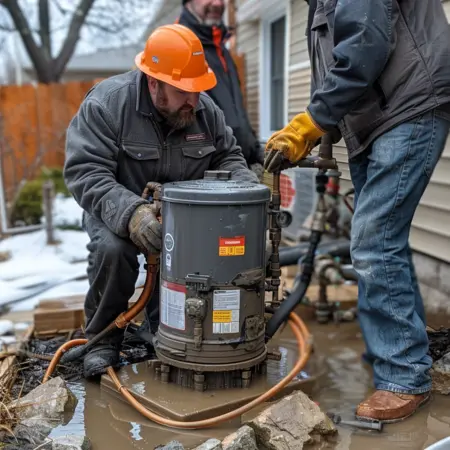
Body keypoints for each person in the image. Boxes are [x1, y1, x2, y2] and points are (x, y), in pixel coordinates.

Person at [264, 0, 450, 423]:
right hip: (378, 119)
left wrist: (311, 122)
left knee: (373, 243)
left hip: (407, 107)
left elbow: (366, 43)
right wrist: (321, 127)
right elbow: (335, 65)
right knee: (383, 245)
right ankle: (410, 358)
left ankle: (404, 376)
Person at [63, 23, 259, 379]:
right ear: (153, 83)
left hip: (186, 219)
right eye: (184, 91)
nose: (194, 101)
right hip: (116, 210)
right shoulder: (107, 105)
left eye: (199, 91)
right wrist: (132, 213)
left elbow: (228, 158)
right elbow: (86, 172)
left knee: (195, 256)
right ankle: (104, 338)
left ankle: (167, 329)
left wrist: (245, 195)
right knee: (113, 251)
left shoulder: (205, 112)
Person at [177, 0, 264, 179]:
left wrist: (255, 150)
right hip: (208, 177)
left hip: (236, 165)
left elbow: (234, 114)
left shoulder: (219, 47)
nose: (217, 3)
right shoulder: (179, 45)